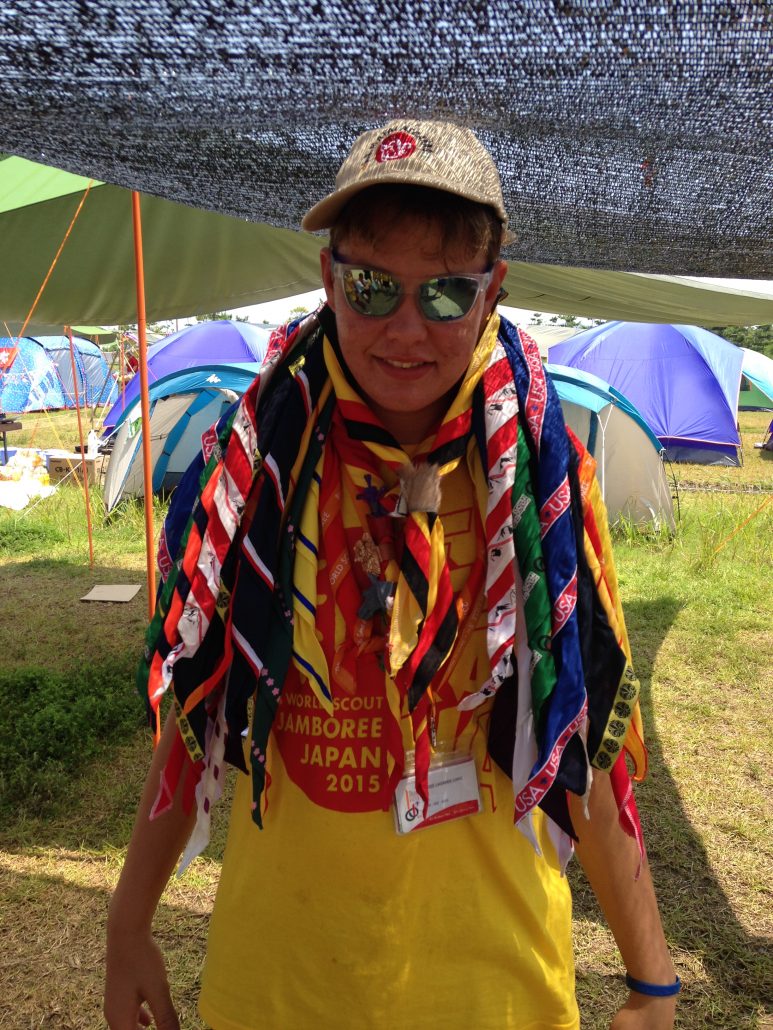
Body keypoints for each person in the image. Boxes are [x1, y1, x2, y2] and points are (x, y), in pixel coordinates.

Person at [104, 119, 679, 1030]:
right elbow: (198, 707)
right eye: (371, 287)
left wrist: (652, 980)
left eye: (445, 294)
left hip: (495, 994)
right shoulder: (251, 470)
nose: (406, 330)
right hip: (278, 990)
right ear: (329, 278)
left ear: (492, 291)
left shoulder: (541, 484)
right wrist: (129, 922)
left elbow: (584, 734)